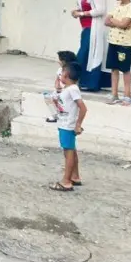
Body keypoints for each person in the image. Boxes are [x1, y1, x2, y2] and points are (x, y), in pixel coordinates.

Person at [49, 61, 87, 192]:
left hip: (67, 125)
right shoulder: (68, 90)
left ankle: (66, 181)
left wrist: (78, 125)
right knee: (72, 150)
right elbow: (65, 106)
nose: (59, 75)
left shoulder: (73, 90)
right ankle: (75, 176)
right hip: (64, 123)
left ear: (67, 75)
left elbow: (83, 108)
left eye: (61, 72)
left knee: (68, 152)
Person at [72, 0, 108, 92]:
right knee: (86, 53)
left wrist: (82, 14)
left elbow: (100, 10)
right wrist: (77, 11)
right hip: (86, 27)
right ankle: (85, 82)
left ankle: (89, 82)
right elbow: (83, 6)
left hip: (94, 28)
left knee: (84, 54)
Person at [104, 0, 131, 106]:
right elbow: (107, 21)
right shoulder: (117, 6)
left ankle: (127, 96)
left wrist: (115, 21)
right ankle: (114, 94)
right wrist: (117, 21)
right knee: (114, 68)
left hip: (124, 44)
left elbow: (125, 24)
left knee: (125, 69)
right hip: (113, 42)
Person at [44, 51, 79, 123]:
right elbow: (57, 79)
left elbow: (74, 83)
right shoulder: (60, 70)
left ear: (64, 61)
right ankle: (55, 115)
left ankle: (63, 115)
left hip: (67, 91)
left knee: (62, 102)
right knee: (49, 98)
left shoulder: (72, 71)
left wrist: (65, 89)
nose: (58, 61)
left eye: (60, 60)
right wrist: (56, 85)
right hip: (59, 90)